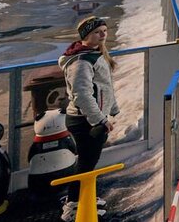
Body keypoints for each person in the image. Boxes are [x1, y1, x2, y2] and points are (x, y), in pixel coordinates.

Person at [58, 16, 119, 221]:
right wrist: (100, 120)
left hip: (93, 118)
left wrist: (113, 108)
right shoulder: (82, 61)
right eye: (97, 32)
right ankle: (73, 207)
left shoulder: (95, 54)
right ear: (86, 36)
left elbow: (104, 86)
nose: (102, 34)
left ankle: (84, 196)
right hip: (85, 121)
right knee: (85, 164)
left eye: (104, 30)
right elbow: (82, 95)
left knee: (88, 163)